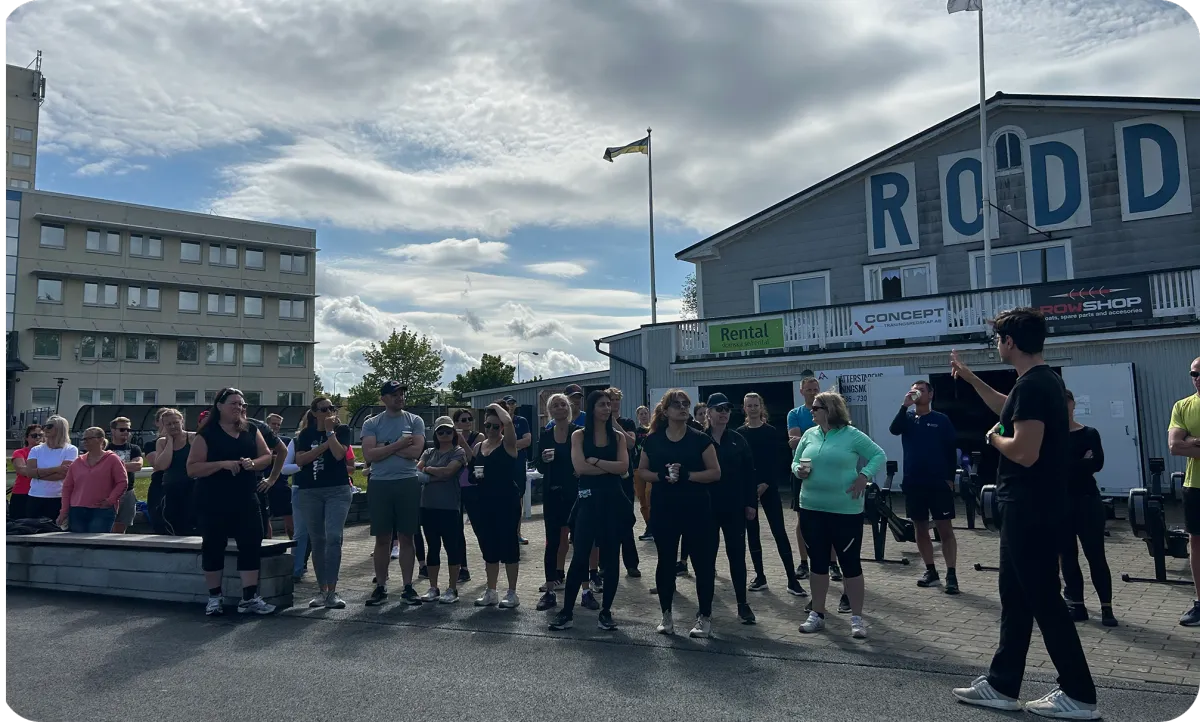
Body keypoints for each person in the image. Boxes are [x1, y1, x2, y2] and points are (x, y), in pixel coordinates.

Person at [949, 308, 1098, 719]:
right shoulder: (1038, 382)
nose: (996, 345)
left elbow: (1025, 451)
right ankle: (1002, 684)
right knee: (1015, 598)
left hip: (1030, 507)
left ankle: (1079, 694)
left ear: (1010, 342)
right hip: (1030, 506)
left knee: (1044, 599)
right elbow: (1008, 409)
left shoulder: (1033, 386)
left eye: (998, 339)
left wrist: (994, 440)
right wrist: (971, 378)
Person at [792, 391, 885, 639]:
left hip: (844, 510)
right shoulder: (809, 434)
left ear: (830, 410)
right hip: (811, 507)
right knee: (818, 563)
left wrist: (864, 476)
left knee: (850, 564)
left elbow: (878, 455)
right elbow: (795, 462)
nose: (811, 411)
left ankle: (857, 618)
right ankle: (817, 614)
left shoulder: (851, 435)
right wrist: (798, 470)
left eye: (816, 408)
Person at [636, 389, 721, 638]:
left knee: (702, 564)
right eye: (677, 404)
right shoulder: (653, 440)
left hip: (697, 508)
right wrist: (660, 475)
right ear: (665, 411)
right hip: (665, 508)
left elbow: (715, 472)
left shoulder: (700, 439)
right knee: (665, 561)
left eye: (686, 404)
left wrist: (688, 475)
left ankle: (704, 617)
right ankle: (666, 616)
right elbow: (642, 471)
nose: (683, 408)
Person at [186, 388, 277, 616]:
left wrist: (253, 464)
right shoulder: (206, 434)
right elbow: (192, 468)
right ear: (219, 406)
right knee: (213, 545)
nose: (238, 407)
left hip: (245, 497)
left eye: (241, 404)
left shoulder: (250, 429)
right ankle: (214, 597)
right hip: (212, 499)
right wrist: (222, 464)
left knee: (251, 544)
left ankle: (249, 598)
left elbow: (267, 456)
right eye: (233, 403)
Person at [549, 390, 633, 631]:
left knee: (611, 559)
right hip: (587, 501)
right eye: (602, 405)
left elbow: (623, 467)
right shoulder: (579, 435)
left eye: (609, 404)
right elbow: (580, 468)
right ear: (592, 408)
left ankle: (606, 612)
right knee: (580, 557)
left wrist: (595, 461)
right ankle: (567, 612)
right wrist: (607, 468)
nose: (607, 408)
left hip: (613, 501)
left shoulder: (618, 437)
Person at [888, 380, 961, 594]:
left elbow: (951, 450)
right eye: (914, 389)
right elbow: (894, 429)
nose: (917, 392)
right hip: (914, 483)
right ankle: (931, 571)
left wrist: (950, 478)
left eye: (921, 390)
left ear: (930, 394)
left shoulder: (941, 420)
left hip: (938, 483)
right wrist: (904, 406)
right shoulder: (908, 418)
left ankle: (951, 574)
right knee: (920, 528)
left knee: (945, 529)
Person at [361, 381, 427, 607]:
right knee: (382, 538)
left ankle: (408, 586)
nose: (399, 397)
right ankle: (381, 586)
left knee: (407, 536)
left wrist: (385, 446)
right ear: (383, 398)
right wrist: (398, 444)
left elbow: (416, 452)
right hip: (380, 484)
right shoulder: (372, 423)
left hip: (407, 482)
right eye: (394, 394)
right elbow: (369, 455)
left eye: (401, 394)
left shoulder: (415, 420)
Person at [288, 398, 355, 610]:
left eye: (332, 408)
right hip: (310, 491)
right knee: (317, 540)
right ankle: (322, 590)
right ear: (314, 412)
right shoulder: (305, 435)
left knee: (333, 537)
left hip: (338, 490)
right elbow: (300, 460)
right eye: (324, 409)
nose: (329, 412)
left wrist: (329, 433)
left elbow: (339, 454)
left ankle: (333, 591)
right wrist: (323, 445)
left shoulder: (342, 430)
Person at [738, 393, 805, 597]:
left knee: (779, 532)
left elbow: (777, 460)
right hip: (748, 490)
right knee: (753, 533)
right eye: (749, 405)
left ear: (761, 407)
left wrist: (766, 483)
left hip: (770, 488)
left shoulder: (771, 431)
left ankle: (792, 580)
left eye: (755, 405)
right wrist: (750, 487)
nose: (752, 408)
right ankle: (760, 577)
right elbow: (741, 464)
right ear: (744, 408)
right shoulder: (739, 434)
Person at [1060, 389, 1116, 627]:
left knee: (1096, 555)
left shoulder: (1089, 433)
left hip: (1087, 501)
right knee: (1067, 556)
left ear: (1073, 404)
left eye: (1066, 401)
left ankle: (1107, 607)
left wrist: (1068, 465)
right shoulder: (1050, 437)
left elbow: (1097, 463)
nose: (1063, 406)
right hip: (1061, 503)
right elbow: (1050, 467)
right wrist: (1081, 461)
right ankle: (1077, 605)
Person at [703, 393, 759, 626]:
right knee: (706, 557)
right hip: (706, 508)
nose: (724, 412)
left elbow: (749, 473)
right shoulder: (699, 439)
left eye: (726, 408)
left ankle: (742, 604)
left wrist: (751, 503)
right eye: (718, 409)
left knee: (737, 555)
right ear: (708, 413)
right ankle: (705, 607)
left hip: (734, 507)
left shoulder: (738, 440)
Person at [534, 393, 591, 611]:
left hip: (575, 494)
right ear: (550, 411)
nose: (560, 408)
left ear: (569, 408)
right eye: (555, 405)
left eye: (563, 404)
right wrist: (544, 459)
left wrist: (580, 469)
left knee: (580, 542)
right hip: (553, 494)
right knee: (552, 543)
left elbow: (587, 458)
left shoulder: (579, 433)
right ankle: (550, 591)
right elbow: (539, 465)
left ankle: (585, 591)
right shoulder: (546, 435)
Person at [467, 403, 523, 608]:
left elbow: (508, 421)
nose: (491, 430)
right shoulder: (479, 447)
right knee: (488, 546)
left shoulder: (508, 443)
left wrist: (494, 406)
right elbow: (472, 471)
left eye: (495, 426)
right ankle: (491, 591)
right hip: (484, 500)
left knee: (508, 545)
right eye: (487, 426)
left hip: (506, 500)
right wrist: (475, 475)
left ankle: (512, 592)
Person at [417, 416, 468, 604]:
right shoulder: (428, 451)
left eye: (448, 431)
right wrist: (435, 474)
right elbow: (417, 471)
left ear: (454, 433)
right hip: (427, 505)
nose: (444, 434)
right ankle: (433, 587)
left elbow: (449, 472)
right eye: (441, 431)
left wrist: (428, 472)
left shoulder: (458, 451)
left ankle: (452, 588)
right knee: (433, 547)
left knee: (452, 547)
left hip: (449, 507)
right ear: (435, 434)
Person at [1168, 355, 1200, 627]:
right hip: (1195, 486)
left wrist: (1191, 440)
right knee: (1196, 544)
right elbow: (1174, 446)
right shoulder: (1183, 406)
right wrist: (1187, 441)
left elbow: (1183, 443)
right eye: (1194, 374)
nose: (1198, 379)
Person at [57, 426, 127, 532]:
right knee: (77, 540)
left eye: (89, 438)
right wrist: (64, 511)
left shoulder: (112, 459)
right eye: (84, 439)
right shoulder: (77, 462)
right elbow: (67, 488)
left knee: (97, 540)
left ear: (101, 439)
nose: (85, 442)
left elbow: (122, 482)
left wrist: (110, 500)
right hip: (77, 510)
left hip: (102, 510)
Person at [787, 375, 823, 580]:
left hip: (826, 470)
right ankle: (803, 562)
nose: (812, 392)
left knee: (829, 517)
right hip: (802, 470)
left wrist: (804, 439)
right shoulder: (795, 414)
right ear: (801, 392)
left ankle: (832, 563)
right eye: (808, 389)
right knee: (803, 519)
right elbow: (793, 442)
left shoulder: (828, 412)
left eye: (815, 389)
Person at [606, 387, 641, 578]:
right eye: (610, 400)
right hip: (605, 476)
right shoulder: (598, 424)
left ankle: (631, 564)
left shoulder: (627, 422)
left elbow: (630, 443)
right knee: (606, 522)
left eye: (616, 400)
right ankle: (605, 565)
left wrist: (614, 423)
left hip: (625, 478)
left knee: (626, 520)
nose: (614, 403)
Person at [23, 415, 80, 521]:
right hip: (35, 496)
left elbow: (62, 475)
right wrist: (56, 469)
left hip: (58, 497)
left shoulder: (71, 450)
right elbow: (29, 473)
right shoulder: (36, 450)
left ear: (60, 428)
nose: (45, 429)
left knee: (54, 528)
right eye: (45, 426)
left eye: (49, 426)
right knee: (32, 528)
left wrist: (38, 474)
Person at [152, 409, 197, 536]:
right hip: (172, 487)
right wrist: (170, 442)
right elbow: (162, 465)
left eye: (175, 422)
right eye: (168, 424)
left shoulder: (193, 437)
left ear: (182, 421)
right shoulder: (162, 442)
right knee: (173, 521)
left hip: (192, 485)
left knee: (193, 520)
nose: (172, 426)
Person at [501, 395, 533, 546]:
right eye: (508, 403)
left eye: (513, 403)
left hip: (518, 463)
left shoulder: (522, 421)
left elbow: (527, 441)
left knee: (518, 497)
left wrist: (509, 445)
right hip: (502, 464)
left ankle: (517, 533)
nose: (510, 405)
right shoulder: (498, 421)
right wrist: (513, 445)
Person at [104, 417, 144, 533]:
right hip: (108, 492)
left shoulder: (134, 448)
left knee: (122, 527)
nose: (126, 432)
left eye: (128, 430)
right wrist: (127, 466)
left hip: (127, 492)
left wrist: (113, 467)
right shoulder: (105, 449)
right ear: (113, 430)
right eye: (122, 429)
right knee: (106, 525)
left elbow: (137, 466)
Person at [453, 408, 479, 584]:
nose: (467, 422)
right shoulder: (450, 437)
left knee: (479, 527)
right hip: (455, 487)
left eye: (469, 419)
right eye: (463, 420)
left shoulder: (478, 437)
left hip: (472, 487)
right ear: (456, 423)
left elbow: (474, 460)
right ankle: (463, 568)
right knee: (457, 530)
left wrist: (462, 441)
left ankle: (490, 561)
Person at [8, 424, 43, 520]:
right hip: (22, 492)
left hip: (40, 493)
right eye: (34, 435)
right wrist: (49, 472)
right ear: (27, 438)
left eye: (40, 435)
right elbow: (22, 470)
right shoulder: (20, 452)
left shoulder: (47, 453)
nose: (38, 438)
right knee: (18, 522)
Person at [633, 405, 653, 540]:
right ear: (638, 417)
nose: (644, 415)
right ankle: (648, 526)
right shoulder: (635, 432)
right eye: (641, 414)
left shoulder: (654, 430)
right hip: (637, 467)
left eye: (645, 413)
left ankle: (654, 525)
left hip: (651, 468)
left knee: (649, 494)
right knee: (641, 498)